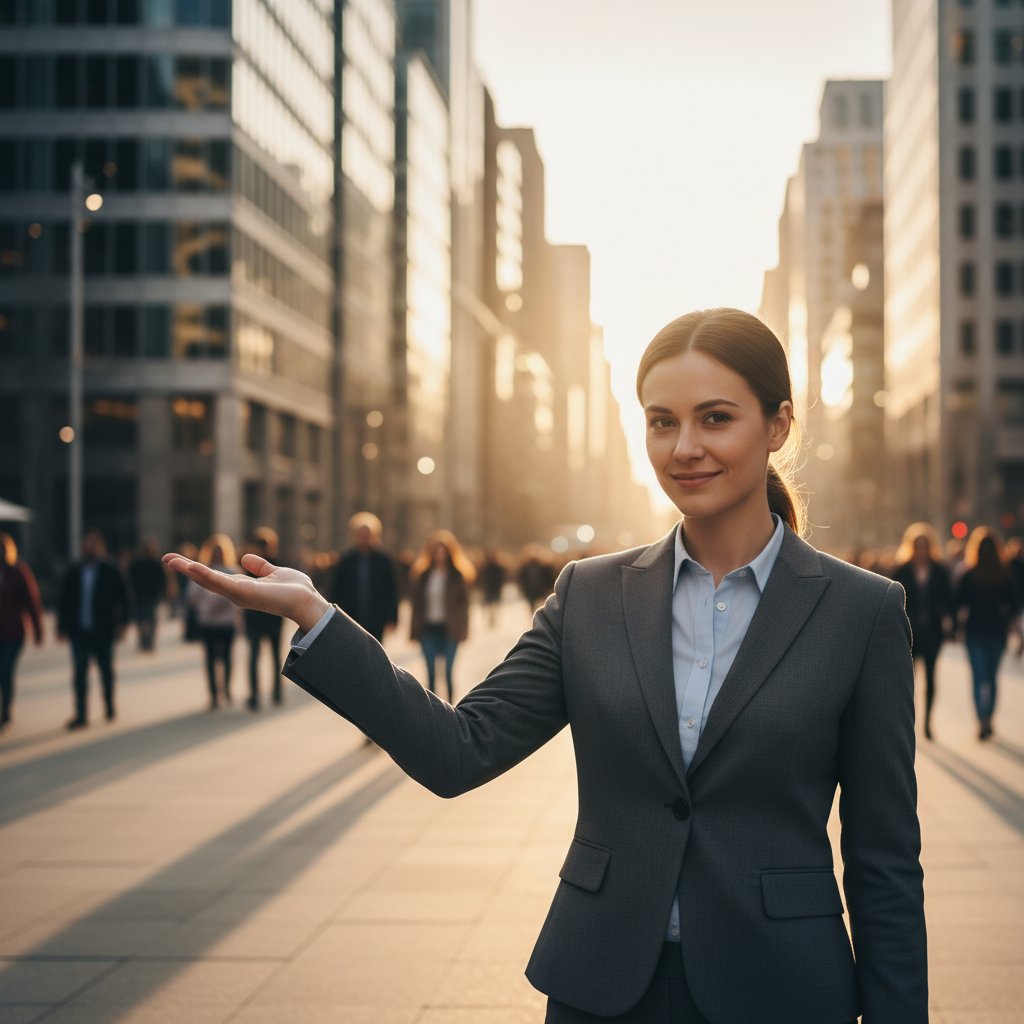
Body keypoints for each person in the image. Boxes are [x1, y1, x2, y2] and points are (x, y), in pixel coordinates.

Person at [165, 308, 927, 1023]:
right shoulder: (591, 594)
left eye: (715, 418)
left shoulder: (861, 613)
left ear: (778, 425)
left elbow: (885, 864)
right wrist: (318, 620)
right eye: (662, 423)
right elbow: (459, 749)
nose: (684, 447)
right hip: (603, 984)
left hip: (782, 988)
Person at [954, 527, 1021, 741]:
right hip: (997, 631)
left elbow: (957, 603)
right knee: (991, 677)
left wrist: (956, 626)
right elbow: (1014, 605)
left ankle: (981, 717)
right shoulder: (1004, 574)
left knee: (978, 676)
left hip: (975, 630)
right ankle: (989, 717)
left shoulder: (968, 573)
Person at [57, 529, 128, 729]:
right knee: (79, 673)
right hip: (79, 631)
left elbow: (124, 597)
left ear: (99, 548)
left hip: (104, 630)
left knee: (106, 670)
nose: (87, 549)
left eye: (91, 546)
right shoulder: (75, 570)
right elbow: (65, 600)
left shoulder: (111, 569)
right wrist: (61, 627)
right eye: (85, 546)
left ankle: (109, 704)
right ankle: (81, 714)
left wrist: (124, 623)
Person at [892, 522, 953, 740]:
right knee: (909, 680)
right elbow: (892, 601)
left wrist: (950, 623)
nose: (921, 550)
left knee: (931, 676)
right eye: (917, 546)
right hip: (908, 632)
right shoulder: (902, 569)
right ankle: (909, 723)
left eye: (924, 545)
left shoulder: (940, 570)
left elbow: (948, 599)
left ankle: (928, 723)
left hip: (932, 631)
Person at [408, 530, 474, 702]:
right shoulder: (423, 575)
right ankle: (433, 712)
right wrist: (413, 631)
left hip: (450, 629)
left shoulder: (457, 576)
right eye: (437, 551)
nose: (440, 555)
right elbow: (416, 606)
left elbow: (465, 606)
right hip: (428, 629)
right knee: (430, 672)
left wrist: (464, 630)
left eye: (443, 551)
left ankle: (451, 710)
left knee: (448, 673)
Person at [328, 513, 399, 642]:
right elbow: (336, 589)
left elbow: (391, 590)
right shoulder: (345, 560)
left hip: (377, 617)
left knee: (375, 652)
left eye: (368, 535)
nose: (365, 538)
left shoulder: (384, 561)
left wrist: (393, 618)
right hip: (350, 617)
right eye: (361, 535)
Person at [0, 531, 45, 731]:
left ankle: (5, 711)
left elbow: (31, 602)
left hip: (12, 632)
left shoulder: (18, 572)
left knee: (5, 671)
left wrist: (38, 630)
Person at [188, 534, 239, 710]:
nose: (217, 555)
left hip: (227, 623)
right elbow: (192, 597)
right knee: (210, 659)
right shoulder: (202, 571)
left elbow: (240, 598)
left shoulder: (233, 572)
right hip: (208, 623)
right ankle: (213, 695)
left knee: (227, 658)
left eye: (220, 551)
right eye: (215, 551)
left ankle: (226, 689)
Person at [243, 527, 284, 711]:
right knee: (253, 658)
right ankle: (254, 694)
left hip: (273, 619)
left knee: (275, 658)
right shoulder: (249, 567)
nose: (263, 549)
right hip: (255, 619)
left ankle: (276, 692)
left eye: (265, 545)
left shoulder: (277, 565)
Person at [128, 538, 167, 652]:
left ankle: (145, 640)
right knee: (148, 620)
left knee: (143, 620)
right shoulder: (154, 563)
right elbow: (162, 580)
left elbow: (130, 579)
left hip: (144, 596)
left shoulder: (137, 563)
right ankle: (147, 641)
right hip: (148, 596)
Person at [516, 544, 557, 612]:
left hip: (541, 588)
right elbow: (522, 578)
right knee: (533, 604)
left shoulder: (544, 566)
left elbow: (549, 577)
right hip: (530, 588)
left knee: (541, 604)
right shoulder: (525, 567)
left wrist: (549, 587)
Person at [478, 548, 509, 627]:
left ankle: (493, 618)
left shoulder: (494, 567)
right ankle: (492, 618)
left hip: (494, 588)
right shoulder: (488, 567)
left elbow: (502, 577)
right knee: (491, 605)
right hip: (491, 588)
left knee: (492, 605)